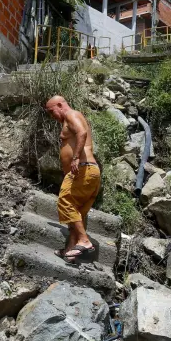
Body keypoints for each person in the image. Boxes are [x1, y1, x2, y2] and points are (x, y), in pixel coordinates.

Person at [45, 95, 101, 264]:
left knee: (65, 201)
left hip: (83, 168)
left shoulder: (71, 115)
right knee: (77, 213)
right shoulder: (70, 118)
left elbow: (82, 133)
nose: (51, 116)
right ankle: (70, 249)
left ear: (60, 105)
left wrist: (75, 158)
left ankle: (84, 240)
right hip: (89, 171)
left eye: (51, 111)